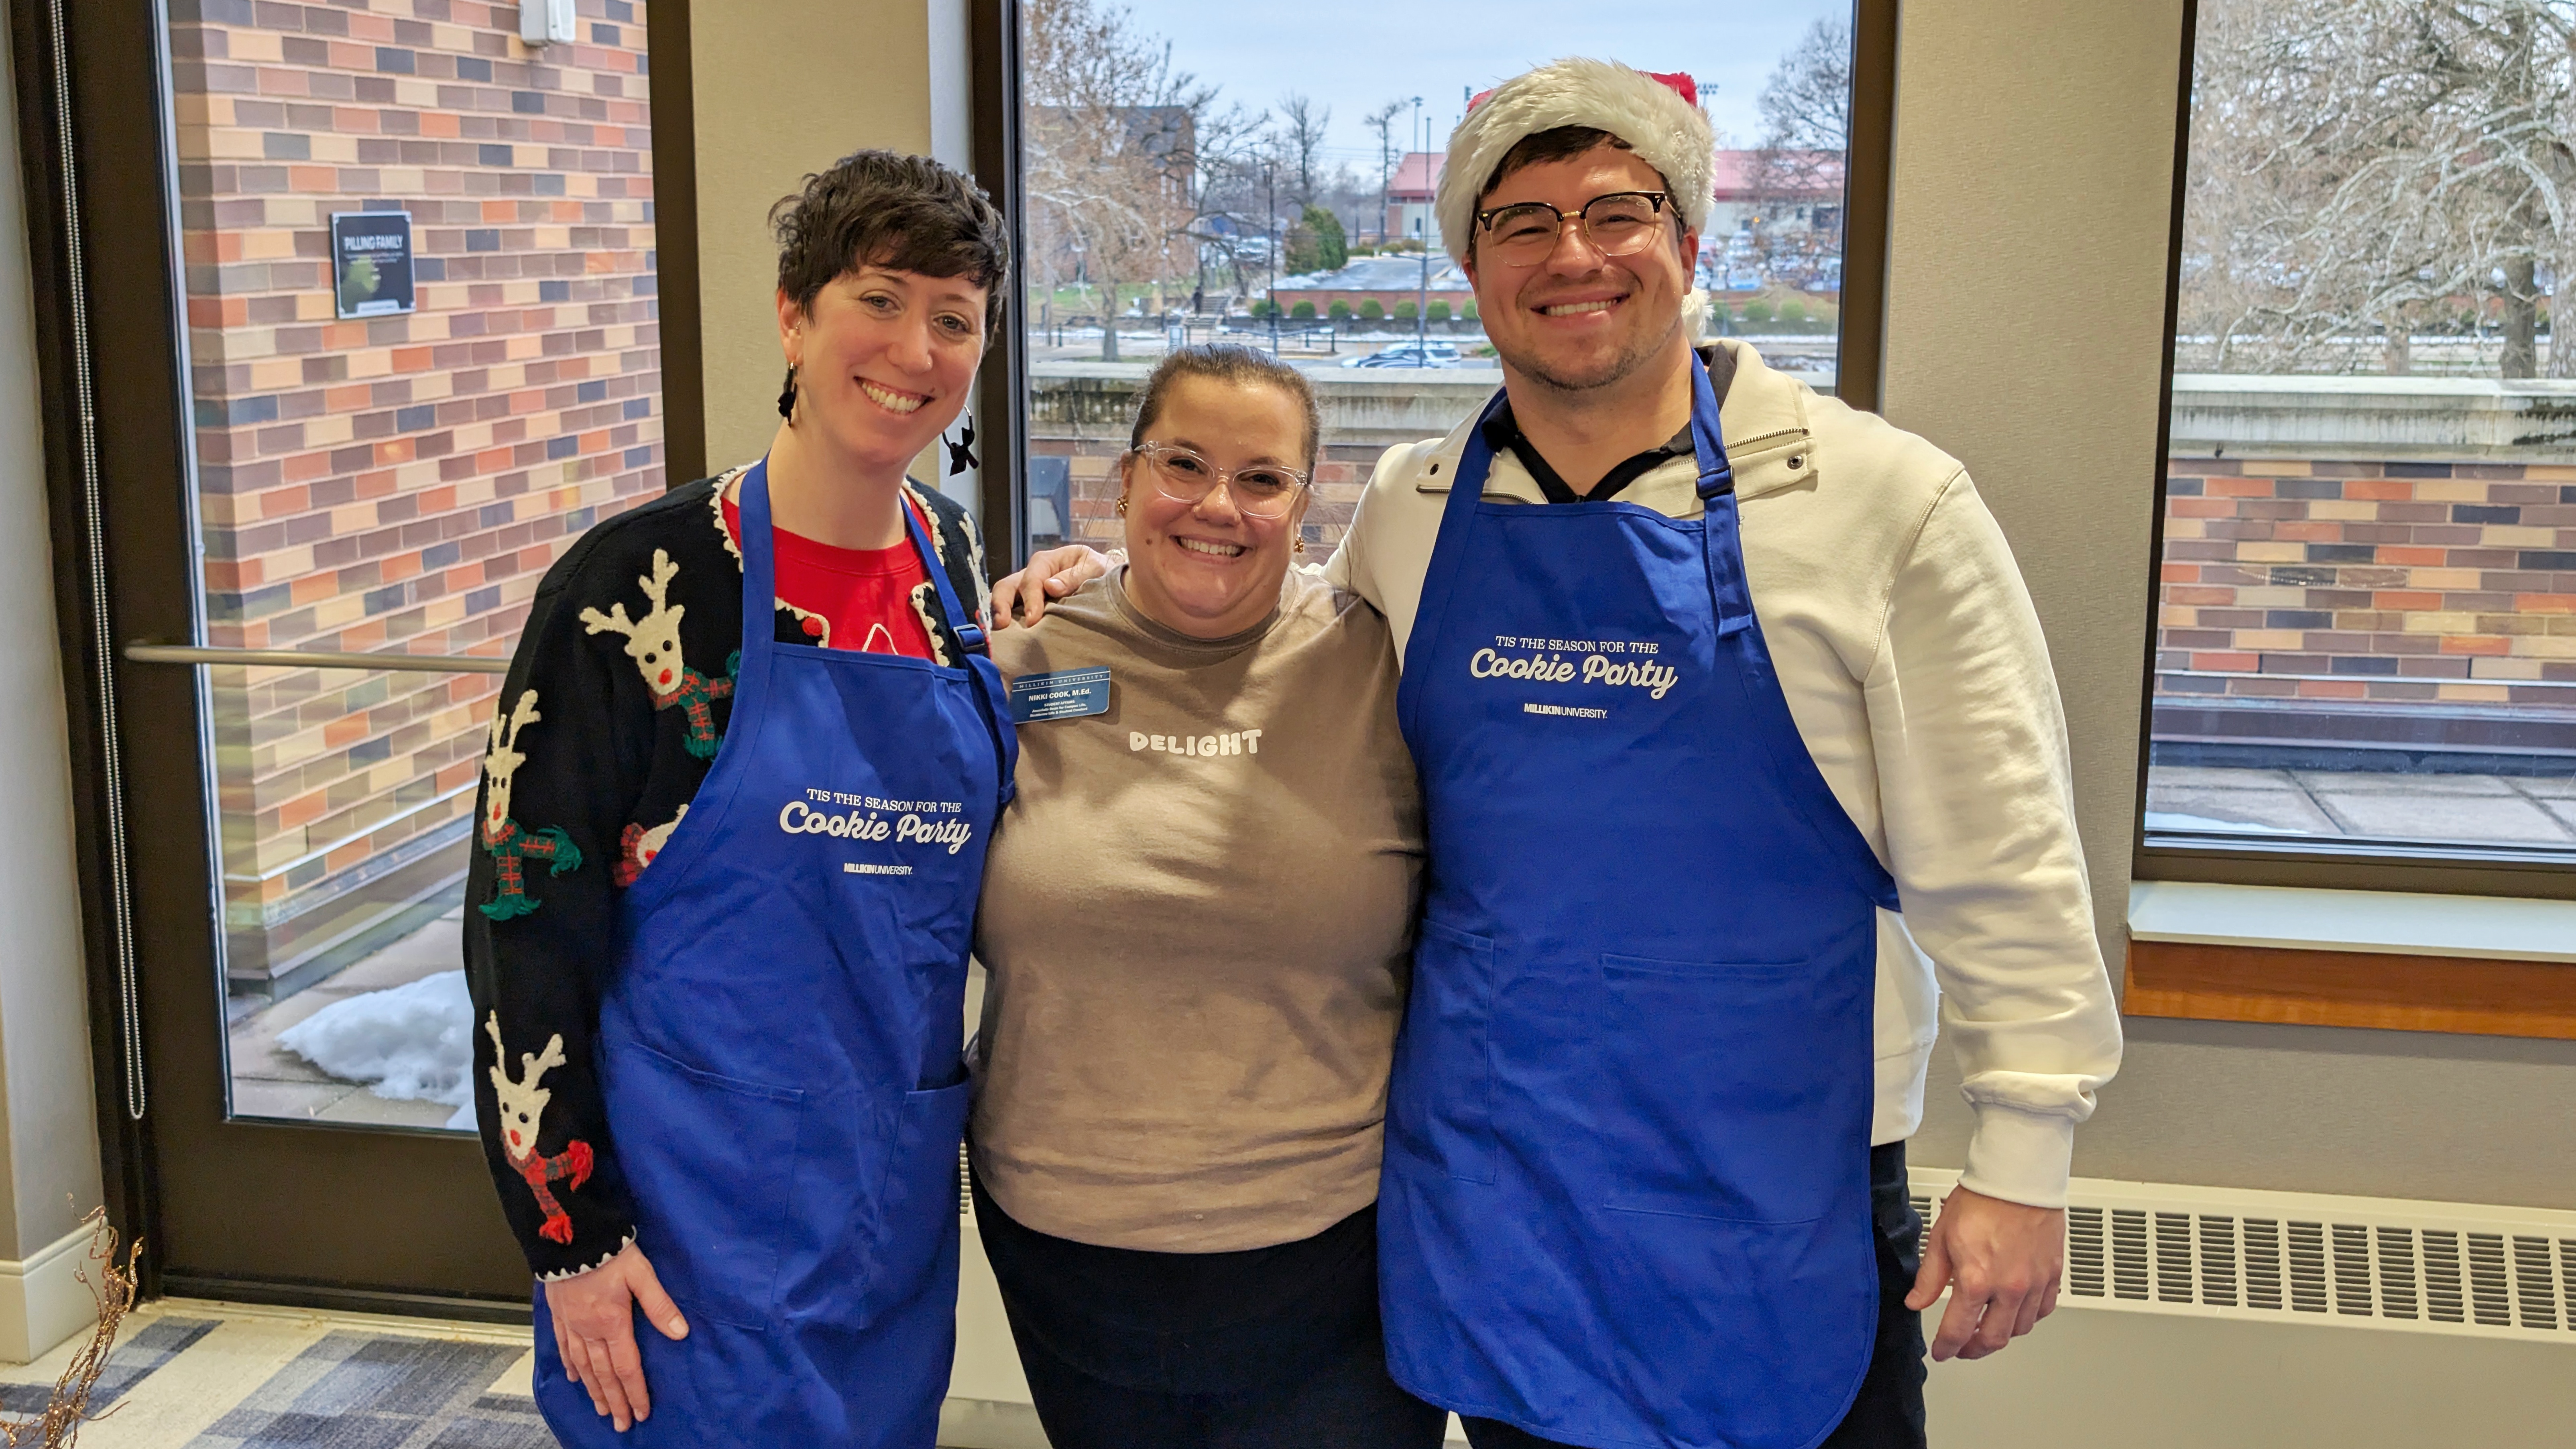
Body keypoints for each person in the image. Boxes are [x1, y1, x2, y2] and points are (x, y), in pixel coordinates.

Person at [995, 59, 2124, 1449]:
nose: (1570, 255)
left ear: (1688, 241)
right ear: (1472, 266)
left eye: (1615, 210)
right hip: (1501, 1175)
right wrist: (1102, 583)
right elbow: (1271, 636)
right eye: (1520, 221)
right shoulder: (1414, 512)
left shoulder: (1876, 504)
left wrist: (2024, 1155)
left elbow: (2008, 854)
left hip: (1775, 1183)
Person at [464, 150, 1015, 1447]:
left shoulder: (954, 569)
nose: (915, 348)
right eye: (878, 299)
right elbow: (519, 926)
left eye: (954, 317)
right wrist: (569, 1233)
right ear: (793, 314)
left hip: (885, 1206)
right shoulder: (636, 588)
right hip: (684, 1214)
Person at [970, 344, 1445, 1449]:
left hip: (1340, 1251)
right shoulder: (1013, 662)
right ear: (1123, 481)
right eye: (1181, 463)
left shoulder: (1384, 664)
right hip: (1064, 1248)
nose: (1216, 506)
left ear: (1306, 501)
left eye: (1262, 478)